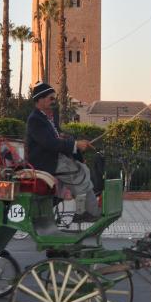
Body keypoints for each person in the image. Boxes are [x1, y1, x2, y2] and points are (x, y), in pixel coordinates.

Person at [26, 82, 99, 221]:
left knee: (83, 170)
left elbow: (57, 137)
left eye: (55, 98)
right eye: (51, 98)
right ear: (40, 99)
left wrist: (73, 143)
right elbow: (50, 143)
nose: (54, 101)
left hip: (54, 158)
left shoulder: (46, 118)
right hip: (46, 162)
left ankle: (88, 211)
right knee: (80, 176)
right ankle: (87, 212)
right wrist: (75, 145)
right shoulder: (35, 119)